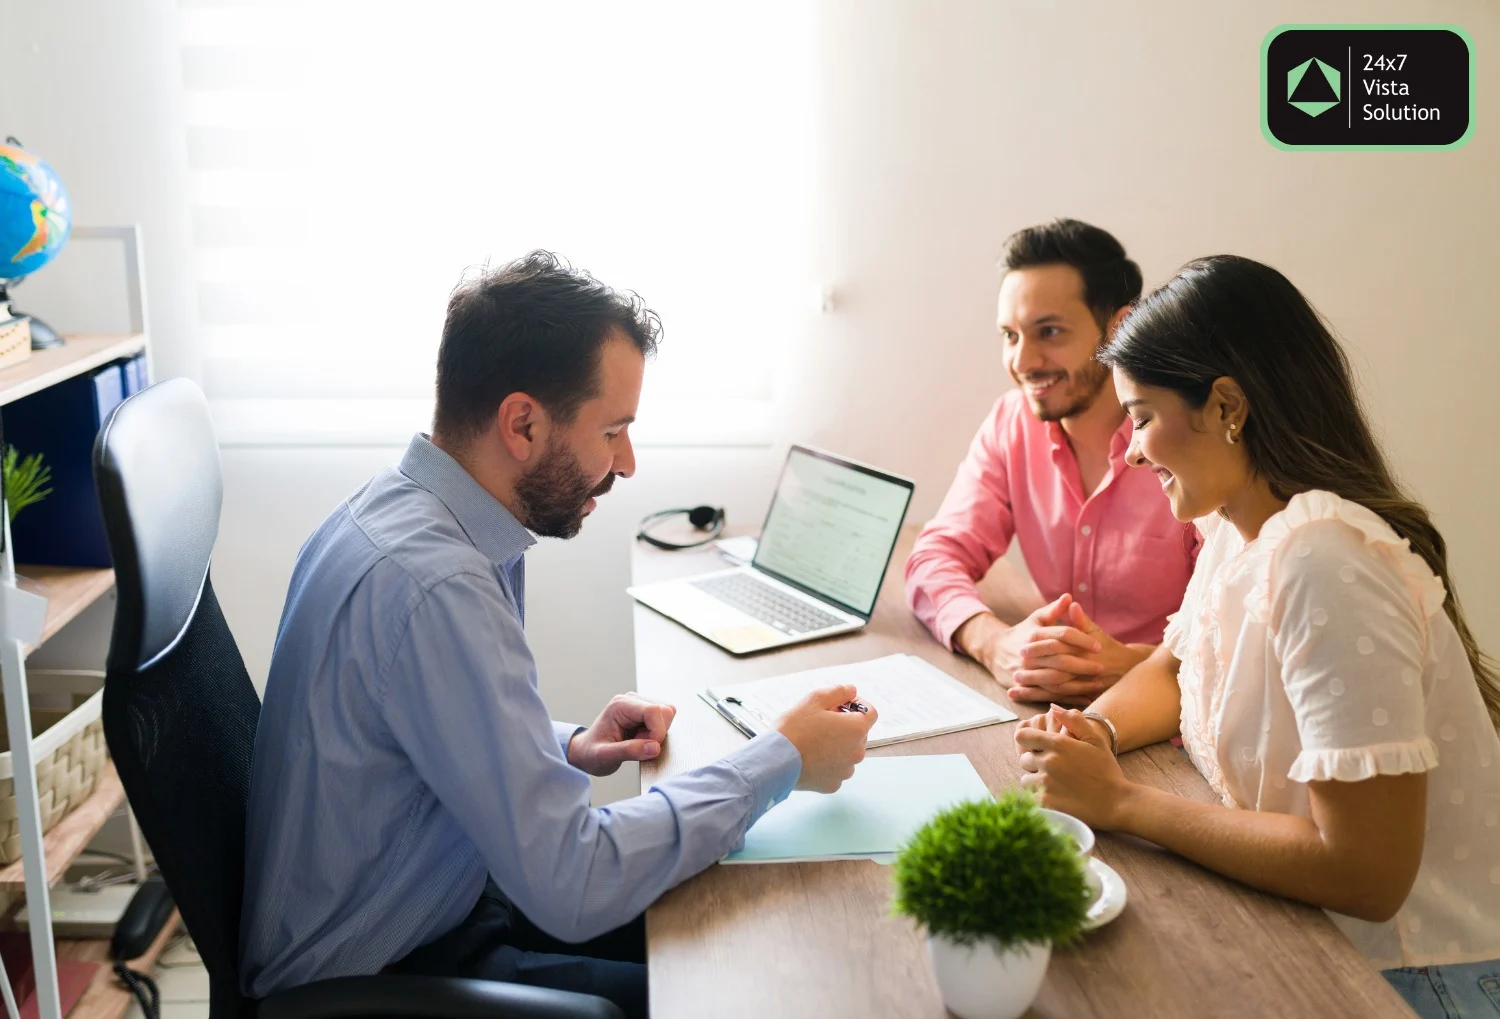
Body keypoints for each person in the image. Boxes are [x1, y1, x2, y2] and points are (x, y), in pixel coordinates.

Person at [239, 252, 877, 1017]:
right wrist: (783, 757)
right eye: (612, 430)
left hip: (434, 892)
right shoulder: (438, 584)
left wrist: (564, 744)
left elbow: (408, 720)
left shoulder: (411, 513)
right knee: (738, 987)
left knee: (741, 917)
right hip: (381, 968)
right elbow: (574, 883)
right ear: (523, 422)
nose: (627, 463)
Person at [1014, 255, 1500, 1018]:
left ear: (1227, 406)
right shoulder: (1241, 529)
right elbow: (1173, 672)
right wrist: (1092, 733)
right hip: (1306, 930)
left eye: (1141, 417)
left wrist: (1123, 802)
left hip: (1411, 977)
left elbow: (1367, 875)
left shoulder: (1327, 560)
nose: (1133, 449)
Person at [906, 219, 1199, 707]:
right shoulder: (1011, 422)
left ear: (1120, 326)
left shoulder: (1189, 437)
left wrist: (1132, 664)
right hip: (1051, 709)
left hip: (1178, 719)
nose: (1023, 361)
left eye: (1049, 332)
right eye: (1010, 335)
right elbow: (935, 556)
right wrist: (992, 642)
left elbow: (1246, 629)